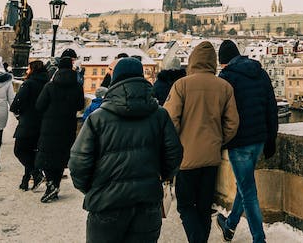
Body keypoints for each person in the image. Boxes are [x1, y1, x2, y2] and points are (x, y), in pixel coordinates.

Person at [70, 57, 184, 243]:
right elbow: (174, 154)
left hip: (107, 204)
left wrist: (93, 189)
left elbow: (78, 163)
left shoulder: (98, 118)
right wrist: (161, 177)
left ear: (115, 79)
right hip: (147, 202)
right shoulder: (160, 115)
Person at [165, 41, 239, 243]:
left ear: (193, 61)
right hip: (211, 157)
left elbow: (170, 120)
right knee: (204, 207)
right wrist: (218, 140)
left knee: (186, 205)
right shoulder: (224, 86)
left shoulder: (181, 85)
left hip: (186, 157)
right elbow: (232, 123)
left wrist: (179, 143)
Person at [215, 41, 278, 243]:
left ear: (223, 63)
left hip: (239, 142)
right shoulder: (260, 72)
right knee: (245, 186)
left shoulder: (225, 78)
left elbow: (220, 114)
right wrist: (271, 138)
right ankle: (230, 225)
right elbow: (271, 107)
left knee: (248, 191)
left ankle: (259, 239)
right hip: (259, 139)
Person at [35, 55, 84, 203]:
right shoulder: (77, 87)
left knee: (47, 155)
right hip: (67, 125)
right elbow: (80, 105)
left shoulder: (50, 86)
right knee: (61, 156)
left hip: (50, 125)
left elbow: (39, 105)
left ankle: (51, 184)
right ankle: (55, 184)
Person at [10, 60, 50, 191]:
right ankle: (25, 181)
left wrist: (18, 111)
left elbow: (17, 103)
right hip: (42, 123)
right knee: (31, 151)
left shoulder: (28, 84)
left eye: (28, 69)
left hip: (28, 122)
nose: (27, 71)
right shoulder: (48, 84)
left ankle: (36, 173)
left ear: (32, 70)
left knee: (20, 150)